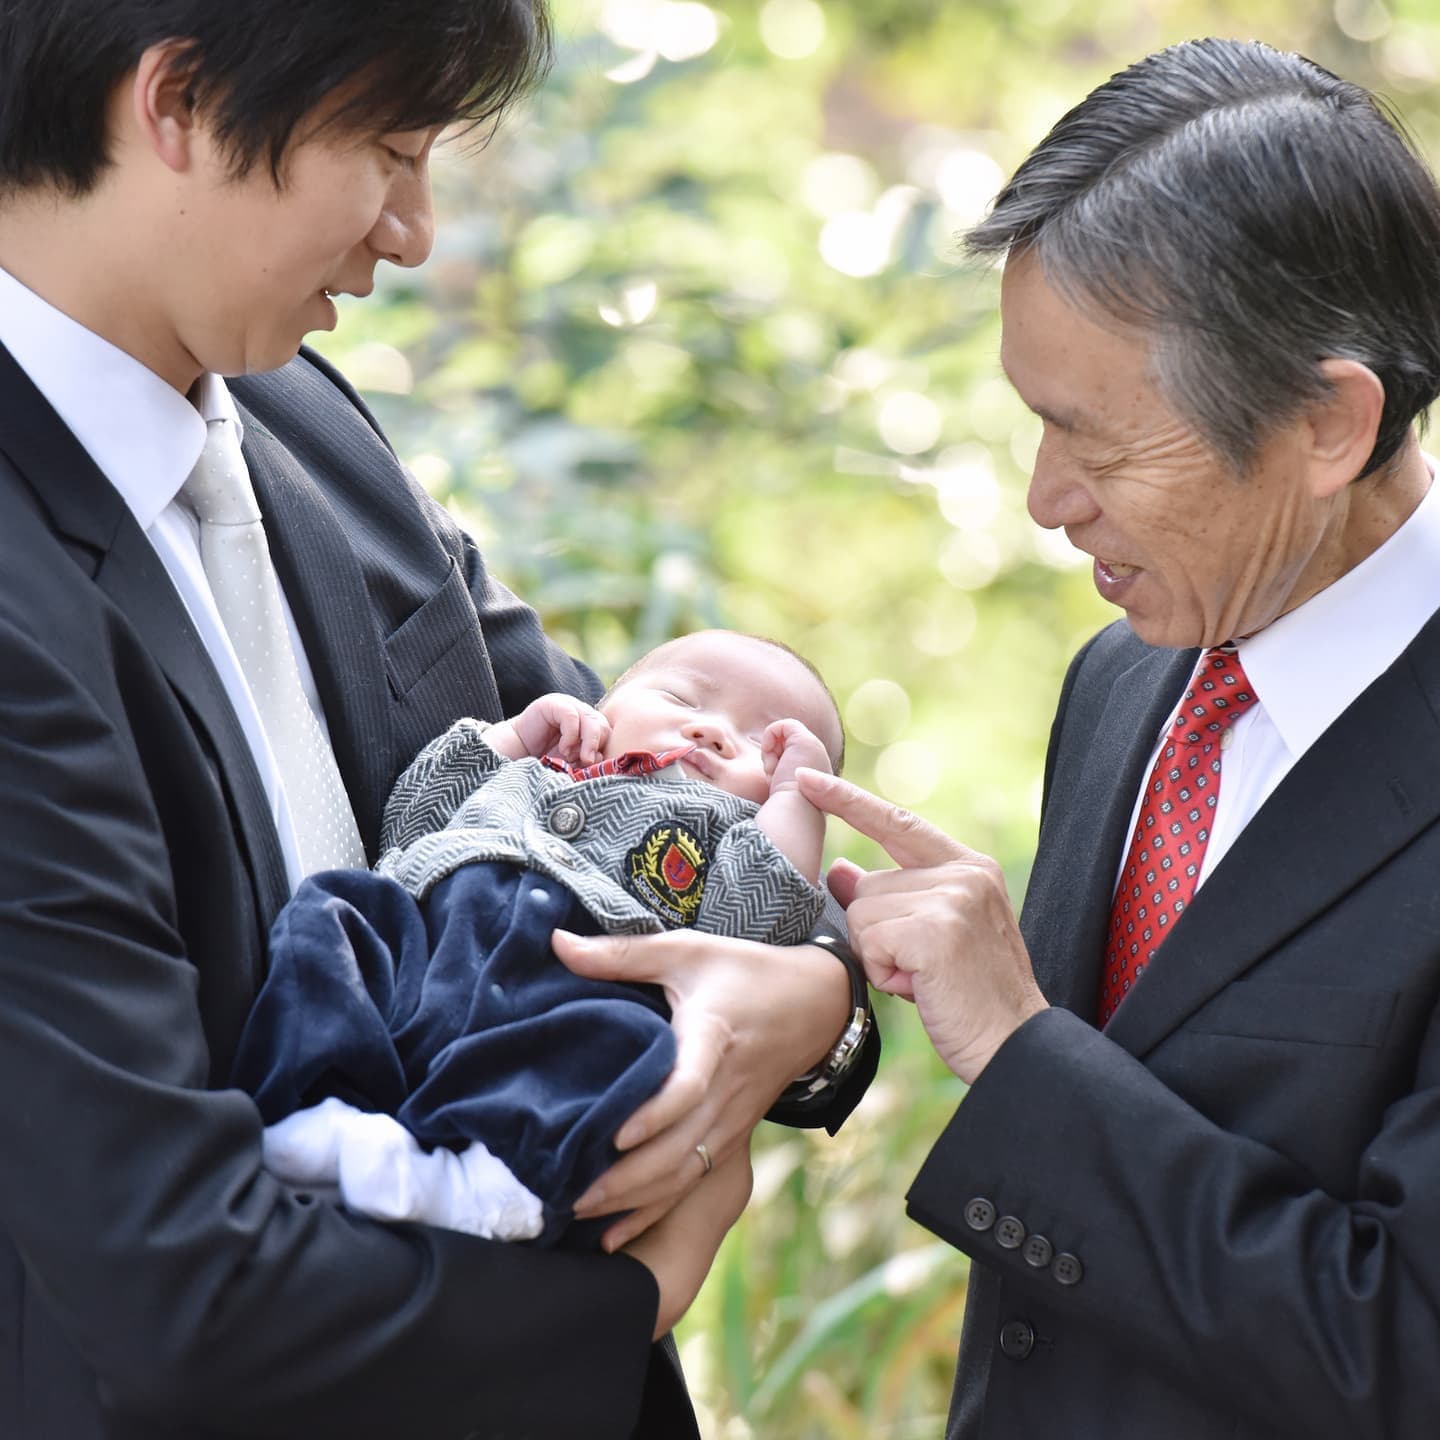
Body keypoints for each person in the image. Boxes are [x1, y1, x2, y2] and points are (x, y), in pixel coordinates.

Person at [0, 4, 878, 1437]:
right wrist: (631, 1302)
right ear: (178, 106)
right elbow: (173, 1278)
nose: (410, 231)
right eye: (390, 150)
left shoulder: (304, 425)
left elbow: (646, 788)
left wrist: (815, 1005)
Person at [793, 36, 1440, 1440]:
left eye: (1095, 441)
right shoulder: (1123, 686)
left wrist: (1023, 1053)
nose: (1045, 501)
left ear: (1330, 423)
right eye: (1033, 423)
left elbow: (1405, 1349)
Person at [233, 629, 849, 1249]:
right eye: (683, 700)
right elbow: (411, 820)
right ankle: (312, 1100)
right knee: (332, 917)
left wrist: (798, 804)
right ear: (605, 704)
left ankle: (491, 1185)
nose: (711, 731)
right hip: (425, 945)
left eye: (762, 744)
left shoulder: (727, 843)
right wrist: (510, 740)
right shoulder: (535, 769)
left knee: (631, 1046)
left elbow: (757, 924)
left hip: (574, 991)